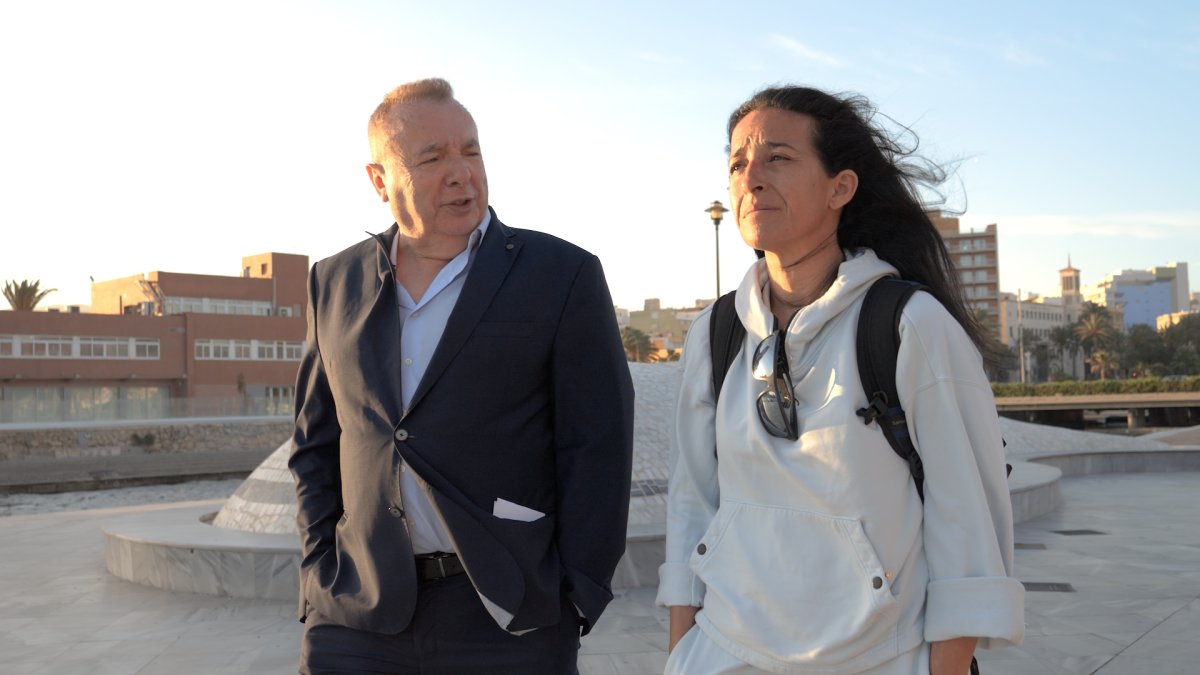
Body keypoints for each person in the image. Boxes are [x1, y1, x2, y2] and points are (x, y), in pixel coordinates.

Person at [657, 85, 1025, 674]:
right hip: (724, 654)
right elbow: (691, 505)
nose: (751, 179)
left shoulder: (910, 325)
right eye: (737, 163)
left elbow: (969, 528)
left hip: (880, 658)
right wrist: (682, 658)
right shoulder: (715, 332)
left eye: (778, 157)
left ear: (840, 188)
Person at [289, 77, 635, 674]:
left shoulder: (561, 274)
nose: (461, 173)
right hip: (355, 617)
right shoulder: (333, 281)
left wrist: (576, 592)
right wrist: (320, 569)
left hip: (508, 618)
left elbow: (597, 444)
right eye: (432, 158)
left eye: (470, 151)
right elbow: (315, 441)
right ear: (380, 181)